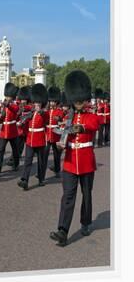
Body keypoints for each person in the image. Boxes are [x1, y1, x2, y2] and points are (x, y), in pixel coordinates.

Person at [50, 70, 100, 246]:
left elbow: (95, 124)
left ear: (84, 99)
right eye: (76, 100)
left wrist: (81, 128)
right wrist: (60, 144)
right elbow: (62, 134)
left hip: (86, 161)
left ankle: (85, 222)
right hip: (70, 161)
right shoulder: (68, 117)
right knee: (68, 196)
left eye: (81, 99)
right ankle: (62, 231)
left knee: (86, 195)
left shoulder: (90, 115)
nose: (78, 102)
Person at [17, 83, 49, 190]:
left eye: (38, 103)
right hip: (30, 140)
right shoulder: (31, 112)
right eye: (35, 102)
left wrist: (41, 112)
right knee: (27, 161)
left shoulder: (44, 113)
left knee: (41, 161)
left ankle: (41, 179)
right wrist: (21, 122)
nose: (36, 105)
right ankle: (25, 180)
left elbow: (46, 117)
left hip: (39, 140)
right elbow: (25, 120)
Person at [0, 82, 21, 172]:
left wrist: (7, 105)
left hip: (12, 130)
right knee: (0, 150)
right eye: (6, 96)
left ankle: (16, 164)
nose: (7, 98)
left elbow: (15, 109)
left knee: (15, 149)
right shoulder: (2, 105)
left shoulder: (14, 105)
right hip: (4, 130)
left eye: (9, 96)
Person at [45, 86, 64, 177]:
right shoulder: (47, 110)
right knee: (45, 154)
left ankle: (57, 170)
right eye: (50, 101)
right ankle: (42, 172)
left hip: (55, 133)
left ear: (56, 102)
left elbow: (60, 117)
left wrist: (58, 118)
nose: (51, 103)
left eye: (53, 101)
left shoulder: (58, 110)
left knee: (56, 154)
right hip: (47, 134)